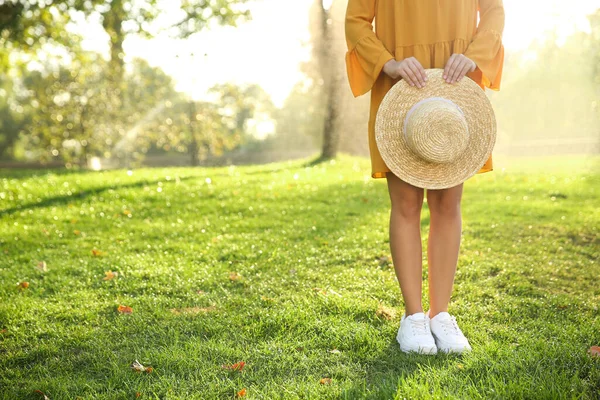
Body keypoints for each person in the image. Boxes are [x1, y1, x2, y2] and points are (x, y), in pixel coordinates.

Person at [344, 0, 505, 354]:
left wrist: (475, 54)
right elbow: (356, 21)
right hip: (401, 77)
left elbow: (493, 8)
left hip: (455, 80)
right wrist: (390, 63)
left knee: (448, 202)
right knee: (405, 203)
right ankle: (413, 317)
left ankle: (441, 315)